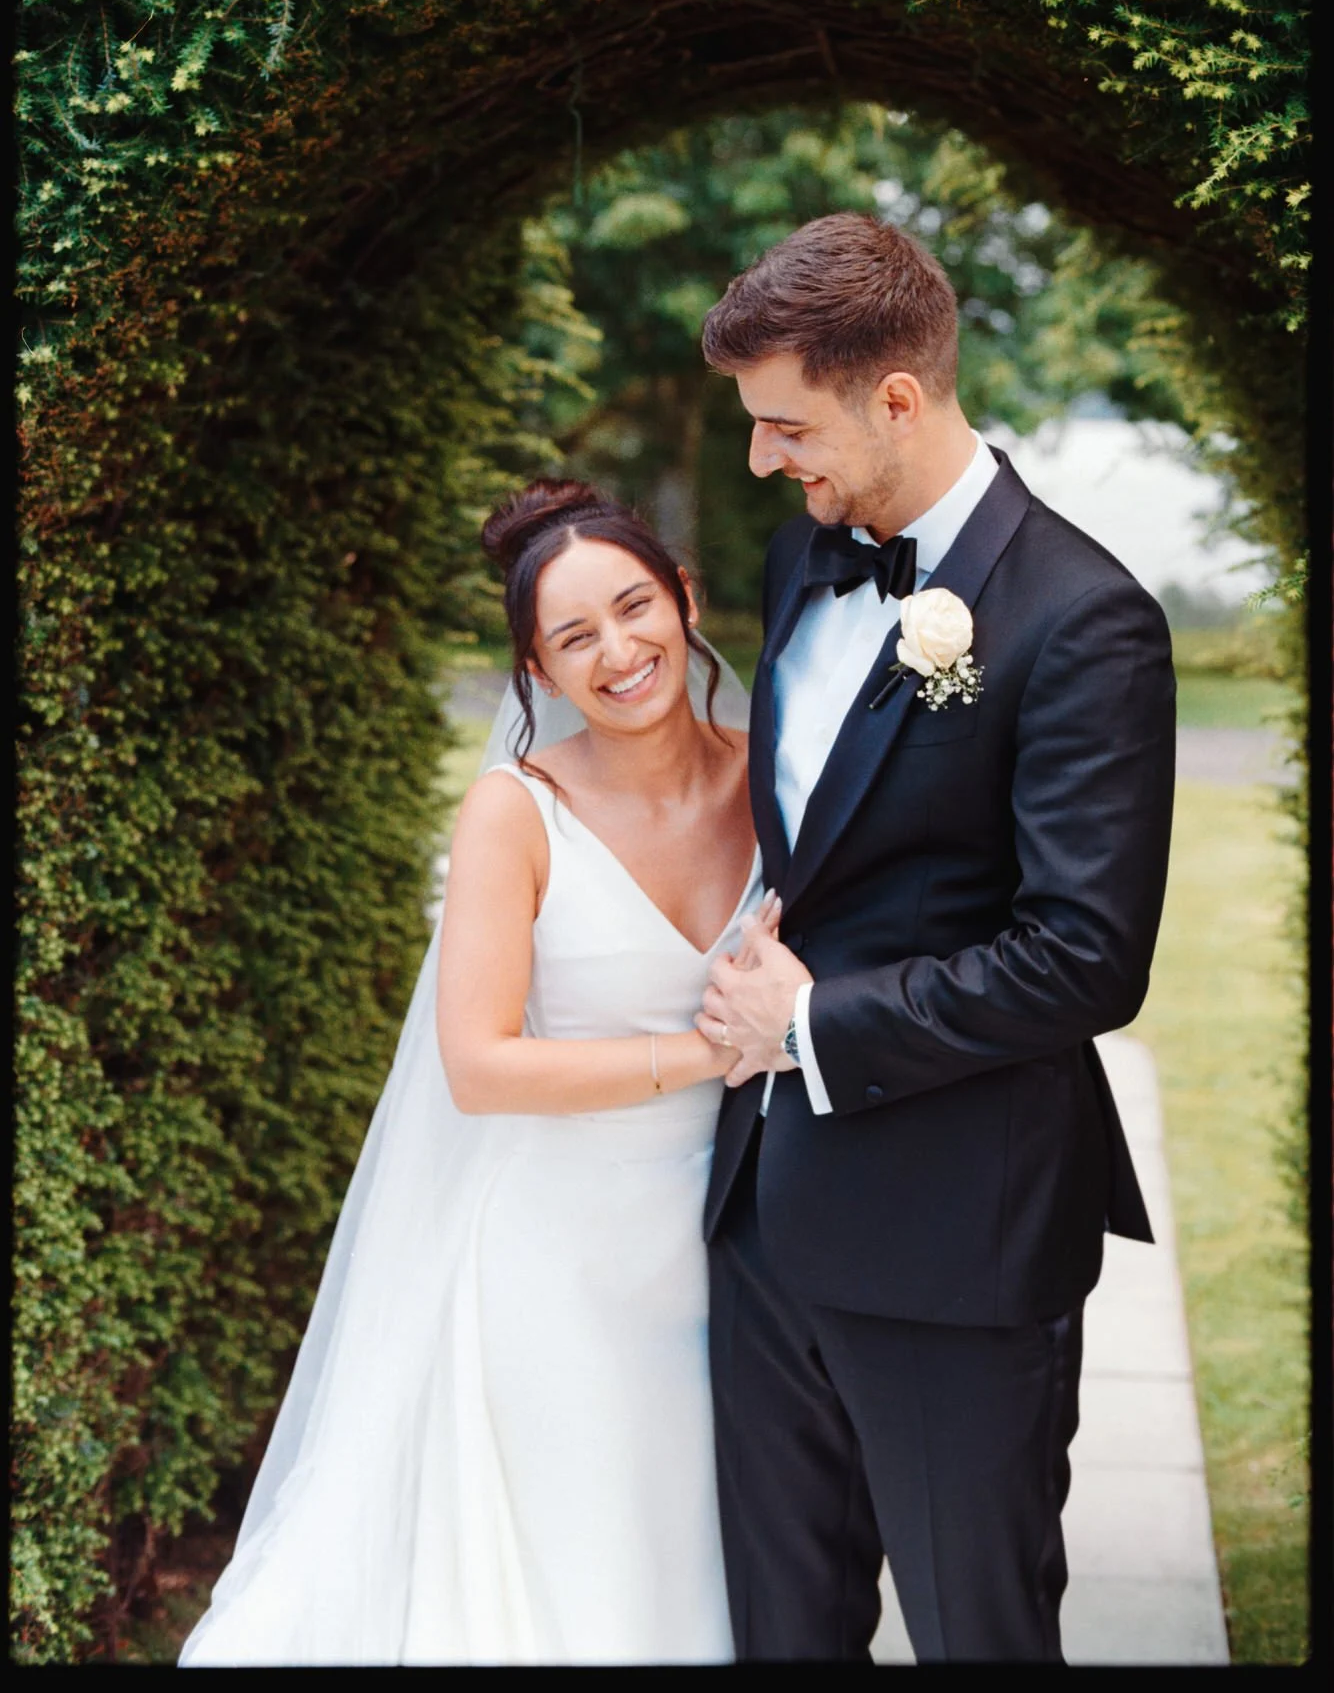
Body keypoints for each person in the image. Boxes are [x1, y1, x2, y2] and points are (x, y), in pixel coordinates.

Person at [694, 211, 1176, 1664]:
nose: (767, 460)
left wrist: (814, 1027)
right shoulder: (803, 561)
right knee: (784, 1634)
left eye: (786, 426)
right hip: (761, 1211)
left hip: (956, 1236)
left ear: (894, 397)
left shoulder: (1086, 621)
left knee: (977, 1633)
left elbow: (1084, 955)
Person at [179, 480, 767, 1666]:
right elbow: (481, 1064)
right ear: (538, 673)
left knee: (694, 1571)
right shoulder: (515, 813)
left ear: (685, 600)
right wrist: (705, 1052)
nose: (618, 649)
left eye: (634, 605)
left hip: (738, 1249)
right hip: (553, 1264)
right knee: (572, 1582)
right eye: (573, 636)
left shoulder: (779, 778)